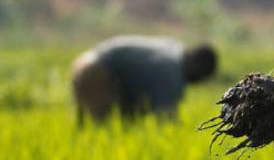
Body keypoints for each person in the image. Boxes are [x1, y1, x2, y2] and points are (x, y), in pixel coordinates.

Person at [70, 35, 218, 123]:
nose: (197, 82)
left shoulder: (174, 48)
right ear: (196, 67)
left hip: (84, 62)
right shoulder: (171, 72)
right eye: (201, 76)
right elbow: (166, 117)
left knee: (87, 128)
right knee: (100, 128)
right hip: (96, 72)